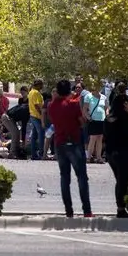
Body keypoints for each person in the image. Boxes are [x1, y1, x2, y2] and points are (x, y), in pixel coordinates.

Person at [47, 79, 93, 218]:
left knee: (64, 177)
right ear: (69, 90)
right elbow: (82, 122)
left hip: (59, 142)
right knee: (82, 177)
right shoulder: (73, 104)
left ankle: (69, 210)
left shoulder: (51, 105)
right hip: (74, 142)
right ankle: (87, 210)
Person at [105, 82, 128, 218]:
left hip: (111, 152)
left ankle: (121, 207)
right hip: (124, 152)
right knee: (123, 181)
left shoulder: (110, 118)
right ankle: (121, 208)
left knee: (120, 180)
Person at [84, 82, 107, 163]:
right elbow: (85, 109)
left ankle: (99, 157)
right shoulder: (88, 96)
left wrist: (106, 116)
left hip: (102, 120)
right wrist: (88, 117)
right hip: (93, 120)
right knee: (93, 139)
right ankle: (88, 157)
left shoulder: (104, 97)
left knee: (100, 139)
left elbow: (106, 108)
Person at [28, 79, 46, 160]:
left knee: (34, 136)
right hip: (36, 116)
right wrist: (42, 115)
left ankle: (33, 154)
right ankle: (41, 153)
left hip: (32, 115)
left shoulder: (31, 91)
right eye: (41, 85)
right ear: (38, 85)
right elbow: (37, 105)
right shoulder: (36, 92)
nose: (42, 86)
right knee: (41, 134)